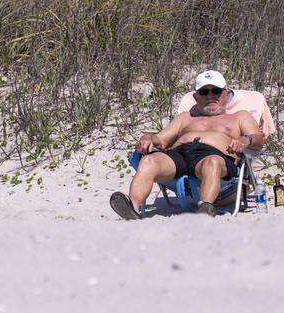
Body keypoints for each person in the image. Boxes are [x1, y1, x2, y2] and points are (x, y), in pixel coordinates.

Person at [110, 70, 265, 219]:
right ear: (196, 97)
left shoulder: (239, 116)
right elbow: (161, 139)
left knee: (212, 163)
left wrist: (246, 140)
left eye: (216, 91)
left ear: (226, 93)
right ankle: (133, 207)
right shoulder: (185, 117)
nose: (210, 96)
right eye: (204, 92)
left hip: (214, 156)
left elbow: (258, 139)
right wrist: (148, 138)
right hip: (179, 154)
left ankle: (205, 207)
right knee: (149, 161)